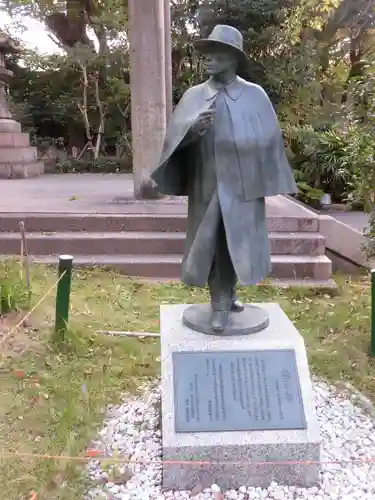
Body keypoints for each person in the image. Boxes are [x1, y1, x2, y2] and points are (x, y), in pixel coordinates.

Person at [151, 25, 297, 332]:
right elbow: (172, 139)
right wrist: (191, 131)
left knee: (238, 243)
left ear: (232, 58)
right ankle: (218, 302)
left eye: (216, 54)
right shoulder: (195, 96)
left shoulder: (254, 96)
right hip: (208, 184)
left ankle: (229, 293)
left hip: (244, 186)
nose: (208, 60)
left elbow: (270, 139)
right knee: (213, 242)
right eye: (207, 54)